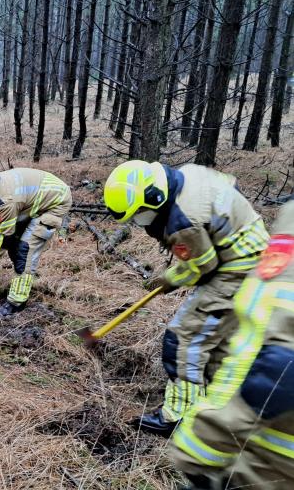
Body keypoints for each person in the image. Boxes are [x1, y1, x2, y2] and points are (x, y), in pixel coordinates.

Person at [103, 160, 269, 436]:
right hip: (256, 249)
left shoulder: (183, 222)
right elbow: (231, 182)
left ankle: (177, 416)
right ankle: (216, 403)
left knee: (183, 338)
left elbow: (202, 266)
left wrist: (169, 278)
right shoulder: (188, 173)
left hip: (239, 267)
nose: (137, 221)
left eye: (138, 215)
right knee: (215, 339)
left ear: (153, 199)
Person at [169, 200, 294, 490]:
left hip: (273, 464)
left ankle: (174, 413)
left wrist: (199, 447)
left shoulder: (186, 217)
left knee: (186, 338)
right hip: (268, 453)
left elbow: (280, 366)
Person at [0, 168, 72, 316]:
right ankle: (23, 276)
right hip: (35, 199)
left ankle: (16, 302)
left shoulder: (7, 202)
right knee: (14, 243)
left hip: (55, 202)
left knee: (25, 250)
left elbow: (3, 239)